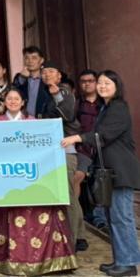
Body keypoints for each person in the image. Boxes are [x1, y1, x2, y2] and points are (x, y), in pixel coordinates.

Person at [0, 88, 77, 276]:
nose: (13, 101)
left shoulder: (34, 124)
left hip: (30, 179)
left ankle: (39, 258)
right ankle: (2, 258)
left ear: (23, 103)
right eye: (9, 98)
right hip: (5, 180)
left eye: (17, 99)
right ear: (4, 102)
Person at [62, 71, 140, 277]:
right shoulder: (106, 107)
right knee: (112, 217)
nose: (103, 86)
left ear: (117, 86)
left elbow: (103, 135)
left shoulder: (118, 107)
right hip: (108, 171)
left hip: (121, 171)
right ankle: (120, 260)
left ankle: (128, 263)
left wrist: (76, 138)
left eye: (108, 83)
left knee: (122, 217)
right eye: (101, 83)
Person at [39, 61, 85, 252]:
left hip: (65, 151)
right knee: (61, 196)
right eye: (44, 72)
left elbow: (68, 115)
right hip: (50, 151)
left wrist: (56, 94)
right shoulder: (45, 94)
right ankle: (74, 236)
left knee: (68, 196)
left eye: (51, 71)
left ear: (59, 76)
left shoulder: (64, 92)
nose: (47, 74)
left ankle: (72, 241)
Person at [74, 70, 104, 230]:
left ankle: (100, 219)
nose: (87, 84)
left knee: (102, 181)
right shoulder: (77, 104)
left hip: (102, 149)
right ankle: (76, 216)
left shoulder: (104, 103)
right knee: (77, 176)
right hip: (83, 148)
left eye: (90, 80)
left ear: (96, 82)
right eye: (83, 81)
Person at [13, 46, 49, 119]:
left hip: (43, 119)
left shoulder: (46, 78)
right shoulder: (19, 77)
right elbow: (13, 93)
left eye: (34, 58)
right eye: (27, 58)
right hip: (23, 119)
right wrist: (22, 77)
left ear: (41, 60)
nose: (30, 61)